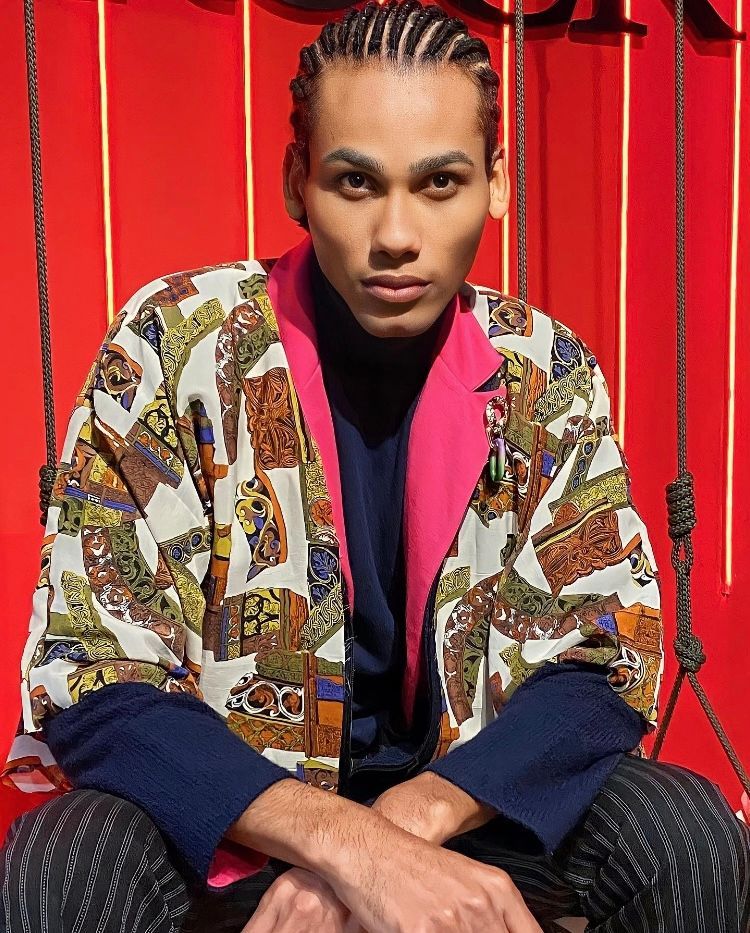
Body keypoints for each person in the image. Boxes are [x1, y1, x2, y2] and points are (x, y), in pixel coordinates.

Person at [1, 2, 748, 931]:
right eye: (356, 182)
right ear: (297, 182)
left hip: (466, 807)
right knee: (58, 865)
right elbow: (92, 674)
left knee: (688, 837)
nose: (397, 232)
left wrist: (397, 834)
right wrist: (339, 845)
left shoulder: (544, 369)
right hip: (236, 816)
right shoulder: (173, 344)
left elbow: (605, 656)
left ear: (496, 184)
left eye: (440, 183)